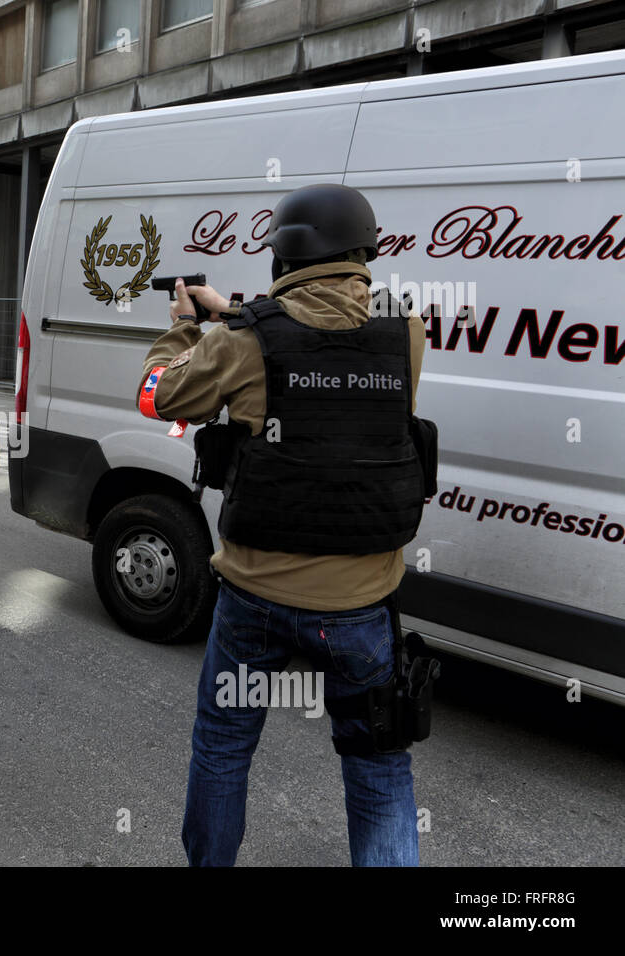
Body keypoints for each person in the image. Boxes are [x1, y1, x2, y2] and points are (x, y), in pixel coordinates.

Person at [138, 184, 429, 867]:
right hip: (362, 602)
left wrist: (186, 325)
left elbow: (158, 395)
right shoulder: (405, 332)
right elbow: (323, 333)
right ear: (364, 249)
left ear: (286, 253)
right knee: (380, 767)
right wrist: (236, 312)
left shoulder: (241, 344)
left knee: (223, 746)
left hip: (255, 597)